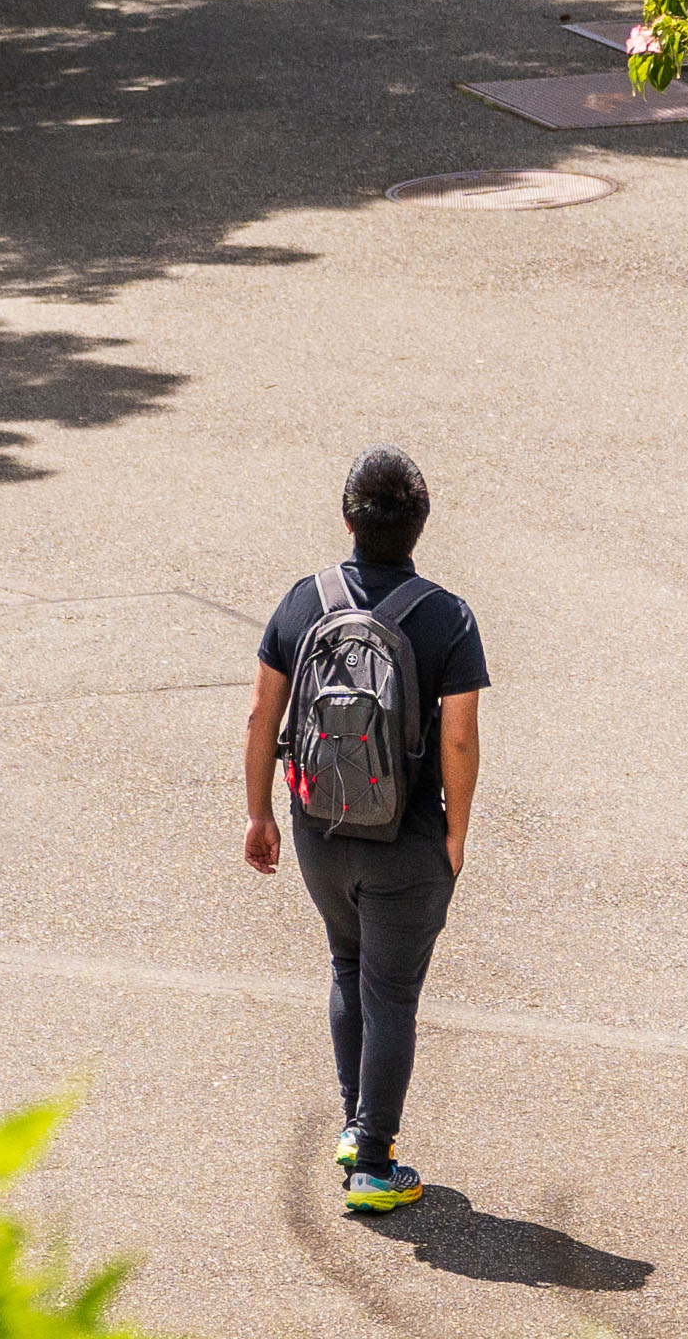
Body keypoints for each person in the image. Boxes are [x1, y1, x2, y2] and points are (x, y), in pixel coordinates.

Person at [244, 446, 485, 1217]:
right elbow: (458, 739)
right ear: (420, 524)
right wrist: (456, 833)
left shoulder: (302, 601)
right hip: (405, 841)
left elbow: (262, 716)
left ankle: (356, 1125)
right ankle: (373, 1163)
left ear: (348, 518)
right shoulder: (445, 616)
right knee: (394, 992)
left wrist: (259, 813)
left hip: (319, 825)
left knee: (347, 965)